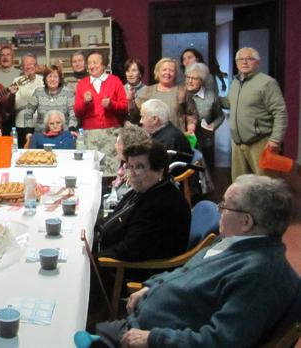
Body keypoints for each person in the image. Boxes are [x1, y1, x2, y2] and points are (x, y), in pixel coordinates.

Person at [95, 174, 298, 348]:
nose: (220, 209)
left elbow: (219, 342)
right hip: (140, 323)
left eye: (225, 205)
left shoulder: (258, 276)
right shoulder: (233, 242)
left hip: (149, 339)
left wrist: (152, 338)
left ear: (246, 222)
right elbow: (187, 273)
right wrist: (150, 287)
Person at [225, 47, 288, 180]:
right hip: (237, 143)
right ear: (236, 63)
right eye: (241, 59)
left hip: (261, 142)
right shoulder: (235, 82)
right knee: (240, 184)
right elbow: (230, 103)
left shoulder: (267, 82)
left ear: (257, 63)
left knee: (266, 183)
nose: (244, 62)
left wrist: (275, 139)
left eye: (249, 59)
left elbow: (280, 112)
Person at [74, 50, 128, 176]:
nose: (91, 65)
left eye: (95, 62)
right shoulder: (83, 84)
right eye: (89, 63)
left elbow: (124, 107)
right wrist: (85, 102)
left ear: (104, 64)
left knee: (114, 172)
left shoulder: (115, 81)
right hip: (90, 135)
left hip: (112, 133)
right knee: (92, 172)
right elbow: (77, 111)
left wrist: (111, 104)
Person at [136, 57, 197, 133]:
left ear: (175, 74)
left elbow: (191, 114)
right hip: (151, 139)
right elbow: (137, 114)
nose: (167, 73)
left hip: (176, 138)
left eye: (171, 70)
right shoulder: (147, 92)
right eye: (164, 70)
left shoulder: (182, 91)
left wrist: (191, 129)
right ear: (157, 72)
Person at [185, 62, 224, 168]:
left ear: (202, 81)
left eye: (194, 78)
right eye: (188, 77)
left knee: (206, 173)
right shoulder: (180, 94)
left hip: (205, 142)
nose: (189, 81)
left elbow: (220, 116)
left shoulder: (211, 96)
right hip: (185, 143)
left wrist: (213, 126)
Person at [105, 124, 151, 207]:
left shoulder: (135, 175)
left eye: (117, 143)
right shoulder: (126, 165)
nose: (115, 146)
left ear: (124, 147)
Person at [24, 65, 77, 133]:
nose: (52, 79)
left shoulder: (67, 92)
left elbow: (73, 114)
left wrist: (72, 129)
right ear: (45, 79)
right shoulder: (38, 92)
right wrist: (29, 131)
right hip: (41, 135)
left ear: (60, 79)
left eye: (55, 76)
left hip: (63, 135)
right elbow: (28, 112)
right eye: (49, 76)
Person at [140, 99, 193, 164]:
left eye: (142, 117)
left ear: (155, 119)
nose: (140, 121)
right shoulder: (168, 129)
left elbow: (158, 170)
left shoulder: (166, 141)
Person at [11, 53, 44, 147]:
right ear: (22, 67)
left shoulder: (43, 80)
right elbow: (16, 104)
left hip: (40, 123)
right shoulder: (17, 80)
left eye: (31, 64)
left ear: (36, 66)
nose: (28, 67)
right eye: (25, 64)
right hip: (21, 123)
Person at [123, 58, 146, 125]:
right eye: (127, 71)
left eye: (134, 70)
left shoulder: (148, 91)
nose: (130, 74)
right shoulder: (120, 90)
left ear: (140, 74)